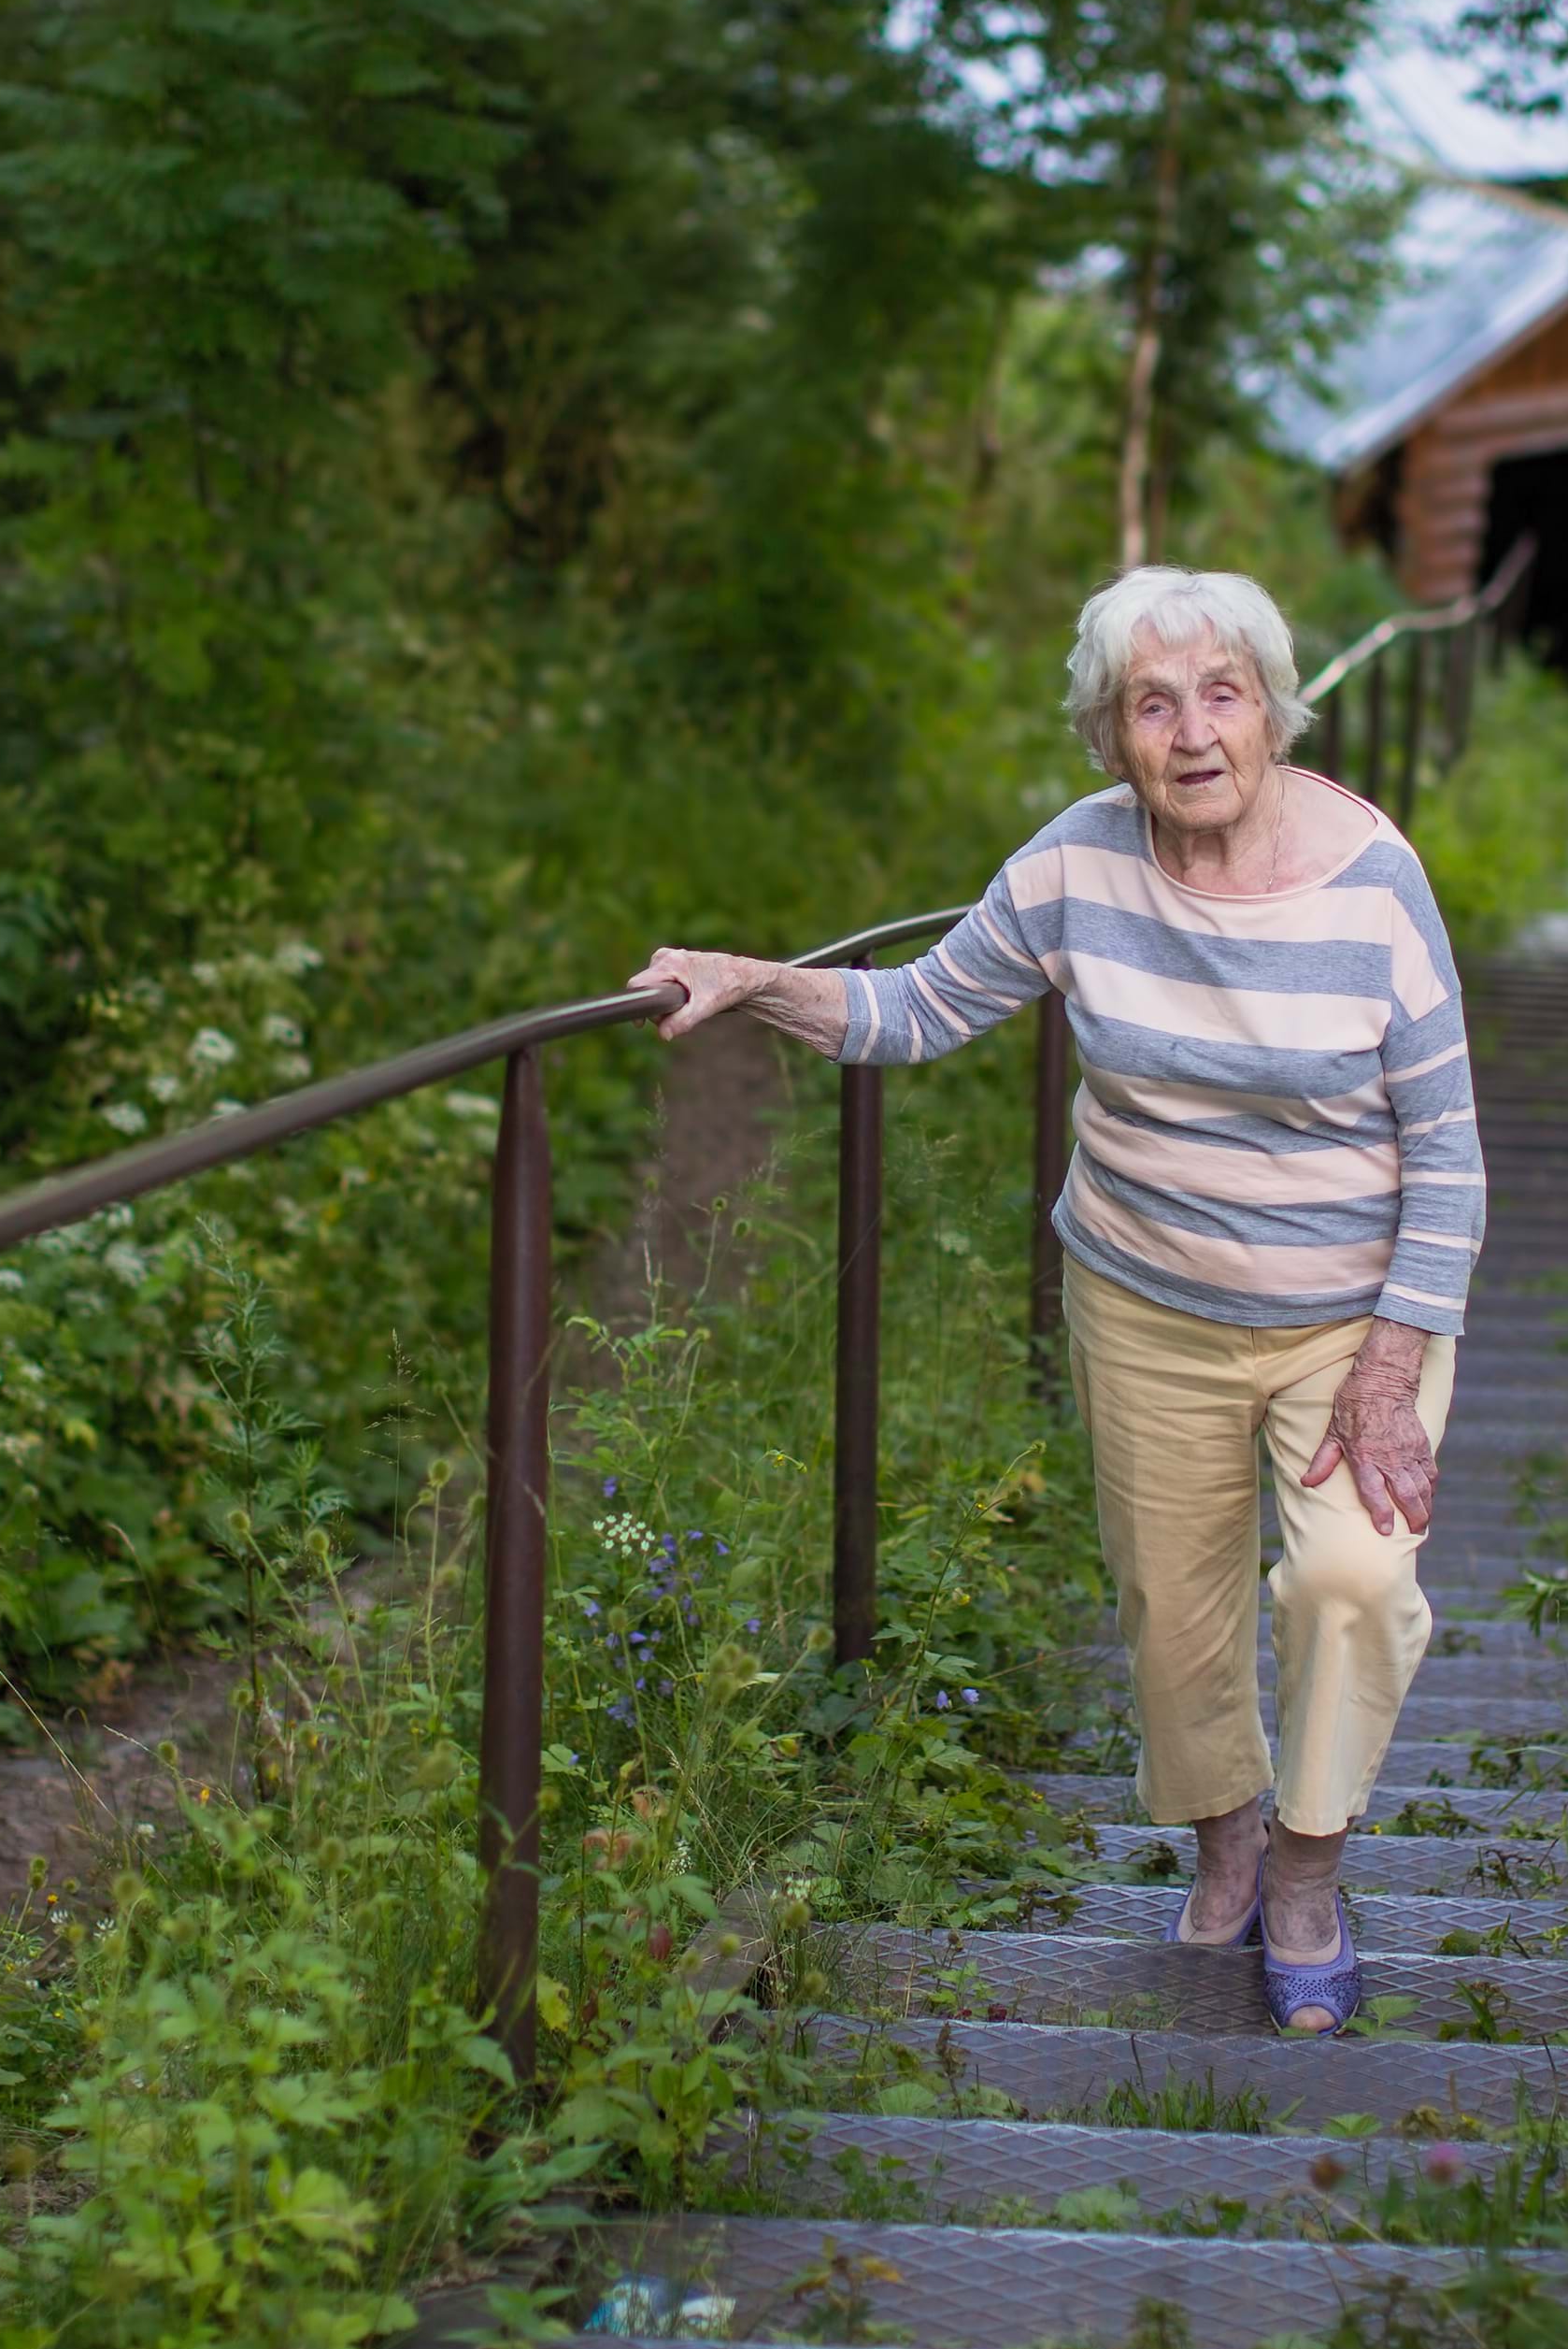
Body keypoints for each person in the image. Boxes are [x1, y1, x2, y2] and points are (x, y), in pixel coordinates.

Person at [630, 567, 1483, 2035]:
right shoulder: (1079, 865)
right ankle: (1223, 1842)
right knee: (1173, 1611)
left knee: (1354, 1585)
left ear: (1274, 712)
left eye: (1224, 694)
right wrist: (752, 978)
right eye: (1155, 704)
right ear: (1111, 738)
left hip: (1354, 1320)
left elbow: (1452, 1159)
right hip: (1142, 1299)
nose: (1194, 731)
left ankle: (1307, 1871)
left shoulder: (1374, 882)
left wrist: (1392, 1363)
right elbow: (913, 1010)